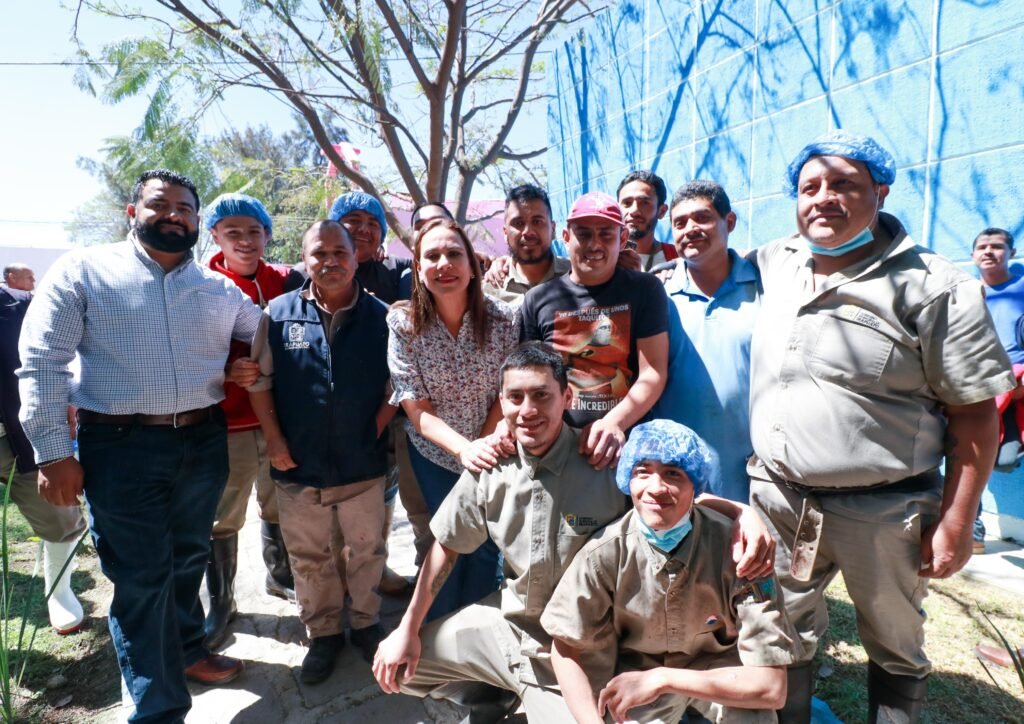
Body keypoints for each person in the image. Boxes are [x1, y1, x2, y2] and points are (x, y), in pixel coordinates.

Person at [748, 131, 1015, 723]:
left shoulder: (934, 285)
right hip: (781, 503)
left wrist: (958, 522)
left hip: (886, 510)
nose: (823, 198)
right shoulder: (776, 261)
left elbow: (974, 415)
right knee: (781, 631)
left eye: (844, 185)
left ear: (881, 191)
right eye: (809, 187)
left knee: (894, 643)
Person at [373, 345, 777, 720]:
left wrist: (741, 513)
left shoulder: (601, 461)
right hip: (511, 626)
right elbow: (446, 547)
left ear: (567, 398)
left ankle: (535, 696)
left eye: (541, 395)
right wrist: (406, 630)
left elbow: (667, 504)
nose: (527, 410)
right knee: (402, 666)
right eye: (515, 398)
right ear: (502, 403)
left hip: (582, 649)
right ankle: (492, 694)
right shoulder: (491, 468)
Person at [18, 169, 264, 722]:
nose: (174, 213)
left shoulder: (219, 289)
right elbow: (40, 363)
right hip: (120, 445)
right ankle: (158, 709)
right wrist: (53, 452)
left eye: (186, 207)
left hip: (202, 441)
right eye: (160, 204)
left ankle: (187, 649)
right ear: (133, 212)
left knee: (189, 558)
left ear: (198, 222)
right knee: (142, 577)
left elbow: (270, 327)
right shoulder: (83, 271)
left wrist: (243, 364)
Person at [543, 420, 794, 724]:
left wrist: (664, 678)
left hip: (721, 671)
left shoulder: (741, 550)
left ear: (696, 487)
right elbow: (565, 647)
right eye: (642, 472)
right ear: (627, 480)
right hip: (637, 677)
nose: (656, 488)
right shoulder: (604, 553)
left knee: (755, 718)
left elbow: (771, 687)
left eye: (673, 473)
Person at [247, 220, 394, 683]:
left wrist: (375, 427)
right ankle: (324, 634)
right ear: (304, 259)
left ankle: (367, 625)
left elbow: (399, 383)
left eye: (340, 252)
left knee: (367, 550)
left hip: (363, 463)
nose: (330, 262)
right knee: (310, 557)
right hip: (298, 463)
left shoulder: (383, 317)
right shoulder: (276, 313)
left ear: (356, 257)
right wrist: (274, 441)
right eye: (319, 253)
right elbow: (259, 382)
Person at [386, 218, 519, 621]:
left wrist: (482, 447)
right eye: (433, 256)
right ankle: (435, 636)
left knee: (484, 544)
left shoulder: (504, 320)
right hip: (435, 455)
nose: (444, 263)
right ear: (419, 269)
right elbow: (416, 408)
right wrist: (464, 450)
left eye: (454, 253)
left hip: (493, 448)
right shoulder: (403, 325)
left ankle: (474, 639)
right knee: (443, 540)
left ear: (473, 265)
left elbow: (507, 392)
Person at [202, 192, 305, 648]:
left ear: (267, 234)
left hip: (282, 419)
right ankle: (221, 600)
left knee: (279, 500)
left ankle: (280, 575)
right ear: (215, 236)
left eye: (253, 231)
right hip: (226, 423)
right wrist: (225, 372)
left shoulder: (286, 280)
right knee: (223, 514)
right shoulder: (198, 284)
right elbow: (180, 354)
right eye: (232, 232)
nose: (244, 241)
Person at [520, 191, 669, 468]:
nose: (594, 244)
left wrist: (612, 424)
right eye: (584, 234)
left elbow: (654, 372)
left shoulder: (645, 289)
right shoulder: (537, 299)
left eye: (605, 234)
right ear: (565, 238)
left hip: (624, 448)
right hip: (557, 449)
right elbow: (528, 379)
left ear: (623, 239)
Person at [329, 191, 426, 593]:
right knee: (340, 498)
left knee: (385, 493)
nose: (364, 229)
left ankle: (377, 569)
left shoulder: (395, 273)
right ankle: (335, 579)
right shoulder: (315, 273)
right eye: (353, 220)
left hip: (395, 407)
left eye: (372, 223)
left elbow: (423, 275)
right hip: (342, 410)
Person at [650, 180, 760, 503]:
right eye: (679, 223)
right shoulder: (658, 295)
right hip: (677, 478)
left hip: (754, 477)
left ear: (729, 222)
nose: (690, 229)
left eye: (702, 218)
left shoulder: (765, 285)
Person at [0, 283, 87, 634]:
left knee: (58, 515)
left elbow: (55, 361)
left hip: (20, 437)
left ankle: (60, 592)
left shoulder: (20, 305)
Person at [481, 184, 571, 306]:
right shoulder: (490, 291)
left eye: (537, 222)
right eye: (518, 223)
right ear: (505, 233)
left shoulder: (577, 276)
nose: (528, 232)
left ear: (553, 229)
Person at [616, 170, 678, 272]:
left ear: (661, 211)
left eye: (644, 203)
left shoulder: (678, 259)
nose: (634, 211)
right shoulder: (602, 258)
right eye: (627, 203)